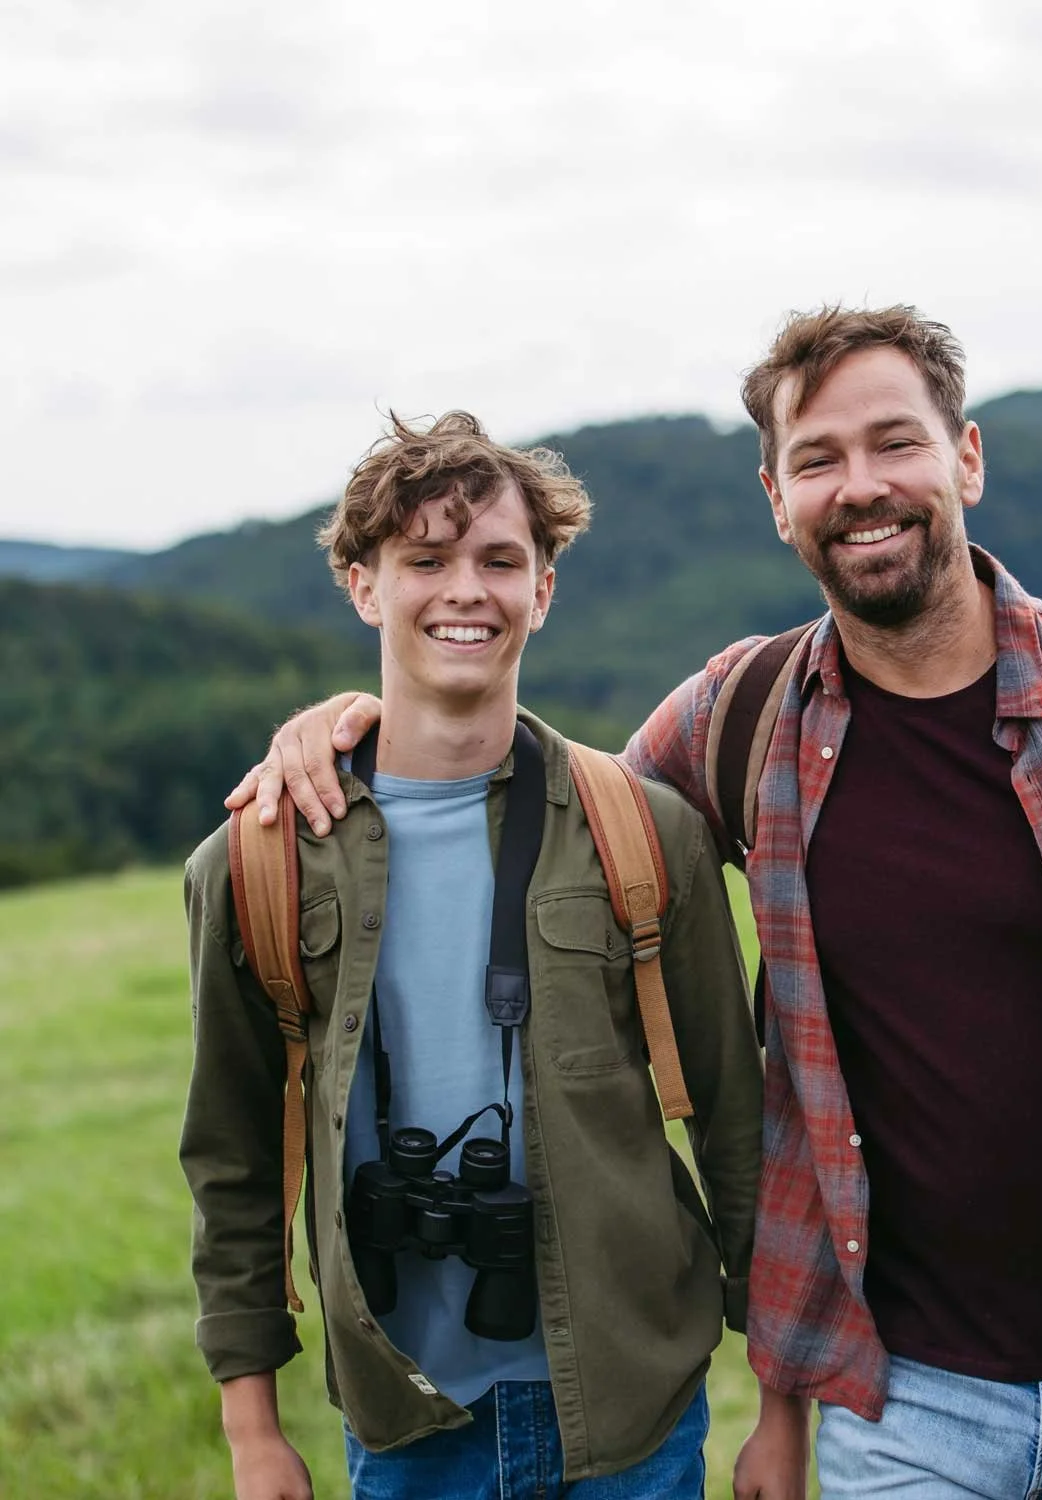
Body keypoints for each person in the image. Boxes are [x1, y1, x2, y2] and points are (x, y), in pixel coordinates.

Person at [231, 310, 1042, 1500]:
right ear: (777, 498)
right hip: (900, 1399)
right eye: (819, 460)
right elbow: (551, 814)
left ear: (967, 458)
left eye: (897, 444)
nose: (862, 487)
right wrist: (348, 730)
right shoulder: (741, 722)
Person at [182, 412, 763, 1500]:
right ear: (363, 584)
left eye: (501, 561)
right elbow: (232, 1158)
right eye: (425, 560)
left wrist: (782, 1405)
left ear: (543, 590)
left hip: (635, 1418)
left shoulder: (643, 832)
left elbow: (737, 1123)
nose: (467, 591)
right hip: (409, 1420)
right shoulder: (255, 864)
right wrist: (252, 1431)